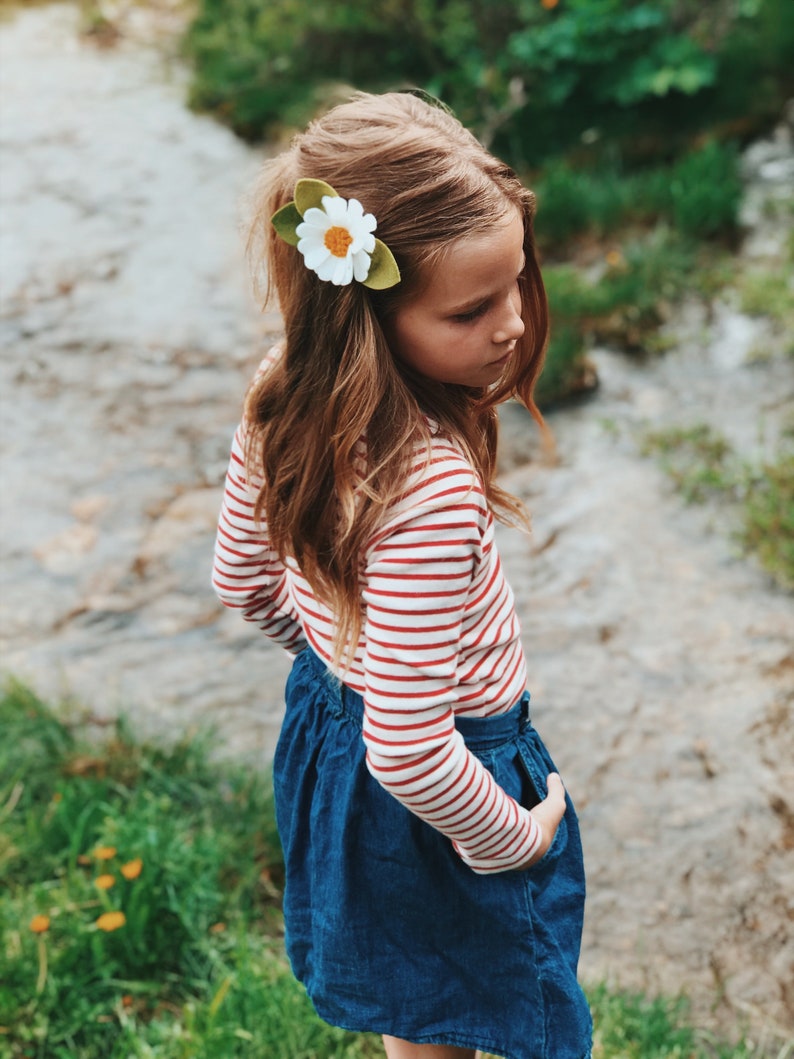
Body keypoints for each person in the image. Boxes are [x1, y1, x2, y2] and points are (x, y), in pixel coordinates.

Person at [213, 91, 592, 1059]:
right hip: (454, 778)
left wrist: (345, 662)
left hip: (332, 741)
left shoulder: (276, 390)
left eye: (515, 281)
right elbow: (412, 752)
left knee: (418, 1012)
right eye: (470, 308)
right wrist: (512, 835)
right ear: (363, 310)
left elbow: (241, 580)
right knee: (522, 1016)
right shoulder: (428, 489)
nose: (511, 324)